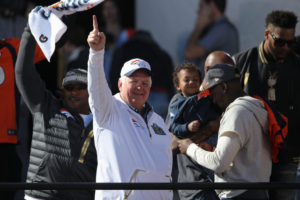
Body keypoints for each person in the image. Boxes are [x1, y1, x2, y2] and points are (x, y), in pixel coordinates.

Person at [87, 15, 173, 200]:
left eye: (145, 82)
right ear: (119, 84)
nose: (140, 87)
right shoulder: (109, 109)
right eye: (133, 81)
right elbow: (96, 87)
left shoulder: (157, 120)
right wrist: (96, 53)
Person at [15, 24, 97, 200]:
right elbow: (23, 73)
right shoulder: (46, 106)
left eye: (80, 87)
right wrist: (30, 31)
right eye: (69, 87)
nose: (73, 92)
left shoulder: (105, 120)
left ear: (91, 91)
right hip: (41, 195)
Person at [178, 64, 272, 200]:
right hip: (257, 192)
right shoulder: (254, 109)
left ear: (223, 87)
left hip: (239, 195)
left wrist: (189, 148)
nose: (212, 99)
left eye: (211, 92)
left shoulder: (236, 112)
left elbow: (218, 163)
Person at [233, 10, 300, 200]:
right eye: (280, 42)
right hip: (251, 152)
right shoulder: (242, 62)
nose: (285, 48)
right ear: (266, 34)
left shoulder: (297, 66)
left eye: (290, 42)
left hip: (288, 151)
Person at [184, 0, 239, 76]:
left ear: (212, 6)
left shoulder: (222, 29)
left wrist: (198, 28)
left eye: (201, 6)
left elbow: (190, 53)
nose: (198, 11)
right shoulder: (214, 28)